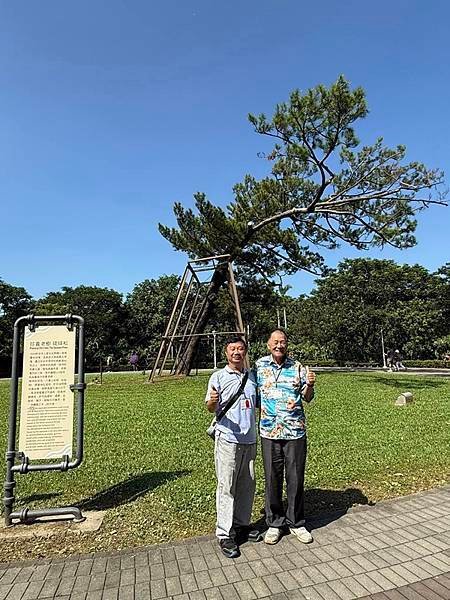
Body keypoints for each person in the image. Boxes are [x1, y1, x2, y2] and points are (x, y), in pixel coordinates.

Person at [255, 328, 316, 545]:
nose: (279, 345)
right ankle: (274, 523)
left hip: (295, 432)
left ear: (286, 344)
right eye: (275, 341)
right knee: (272, 477)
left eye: (283, 341)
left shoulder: (297, 367)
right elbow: (249, 393)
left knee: (295, 477)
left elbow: (307, 398)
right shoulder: (259, 367)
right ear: (268, 344)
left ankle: (296, 522)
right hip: (269, 431)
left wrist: (309, 384)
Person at [205, 336, 262, 558]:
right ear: (226, 353)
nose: (237, 352)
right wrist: (212, 401)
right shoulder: (218, 376)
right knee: (227, 485)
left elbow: (258, 403)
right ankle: (224, 533)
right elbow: (210, 406)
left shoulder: (252, 377)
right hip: (227, 439)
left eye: (240, 349)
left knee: (247, 485)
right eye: (232, 349)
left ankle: (241, 524)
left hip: (250, 438)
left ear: (245, 352)